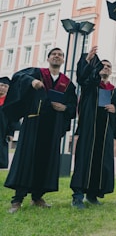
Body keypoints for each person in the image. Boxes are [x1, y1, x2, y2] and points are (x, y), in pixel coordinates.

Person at [3, 48, 77, 213]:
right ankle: (17, 199)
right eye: (54, 54)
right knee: (26, 159)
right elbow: (17, 77)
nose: (57, 56)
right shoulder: (37, 73)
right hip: (34, 123)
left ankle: (37, 197)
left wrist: (64, 107)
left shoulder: (67, 83)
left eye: (60, 55)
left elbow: (73, 106)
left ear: (63, 60)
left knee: (45, 161)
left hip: (53, 127)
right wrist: (32, 82)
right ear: (48, 58)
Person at [70, 46, 116, 209]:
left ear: (111, 71)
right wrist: (87, 60)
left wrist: (115, 109)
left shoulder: (115, 91)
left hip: (105, 132)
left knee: (101, 161)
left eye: (108, 66)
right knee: (84, 159)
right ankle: (78, 195)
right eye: (103, 65)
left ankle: (92, 194)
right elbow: (81, 77)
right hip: (89, 129)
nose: (105, 68)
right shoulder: (90, 85)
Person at [0, 77, 20, 169]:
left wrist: (11, 133)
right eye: (1, 85)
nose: (3, 87)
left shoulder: (10, 103)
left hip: (3, 131)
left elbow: (13, 119)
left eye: (5, 86)